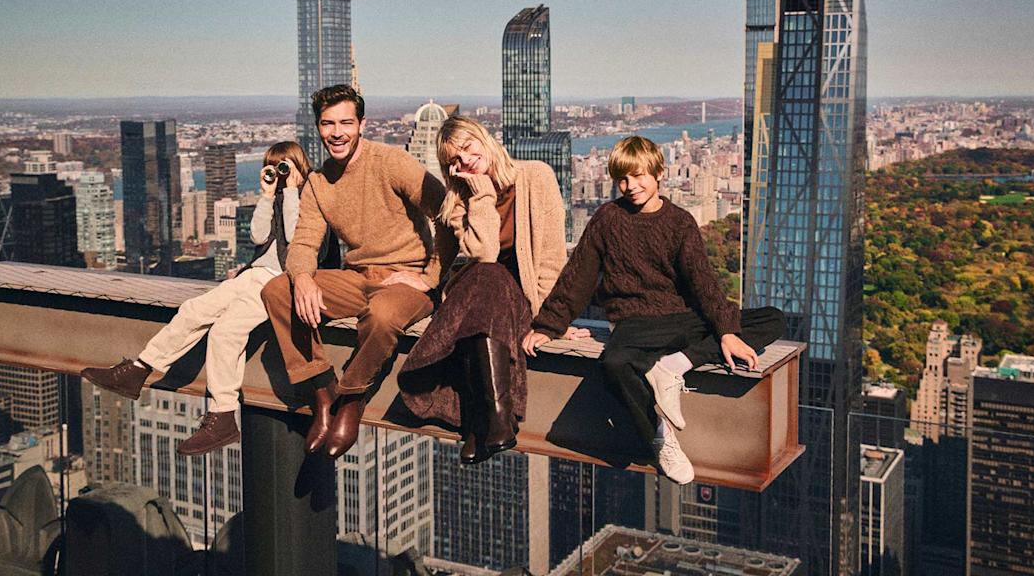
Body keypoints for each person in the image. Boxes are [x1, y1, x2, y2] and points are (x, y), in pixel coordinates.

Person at [521, 136, 785, 484]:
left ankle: (674, 366)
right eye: (623, 179)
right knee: (615, 363)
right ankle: (659, 437)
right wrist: (548, 325)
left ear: (660, 173)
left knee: (773, 319)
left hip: (679, 320)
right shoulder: (607, 219)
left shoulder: (680, 222)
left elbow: (702, 282)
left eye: (639, 176)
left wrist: (727, 332)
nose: (631, 186)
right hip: (633, 324)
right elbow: (578, 277)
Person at [261, 84, 457, 459]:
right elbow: (303, 243)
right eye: (327, 123)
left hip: (406, 277)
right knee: (276, 291)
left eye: (345, 122)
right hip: (357, 276)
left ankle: (351, 399)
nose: (336, 132)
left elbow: (448, 213)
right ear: (318, 127)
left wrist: (429, 277)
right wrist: (302, 279)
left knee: (382, 316)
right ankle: (321, 391)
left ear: (361, 124)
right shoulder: (318, 183)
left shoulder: (391, 162)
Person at [82, 141, 313, 455]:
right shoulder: (276, 199)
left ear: (301, 167)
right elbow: (259, 237)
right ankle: (139, 370)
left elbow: (294, 235)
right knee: (194, 309)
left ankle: (222, 416)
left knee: (226, 330)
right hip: (252, 275)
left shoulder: (312, 199)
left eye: (286, 167)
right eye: (275, 167)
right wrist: (268, 195)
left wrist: (289, 192)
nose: (281, 174)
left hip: (280, 283)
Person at [397, 116, 568, 464]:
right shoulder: (459, 201)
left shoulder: (536, 177)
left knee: (493, 283)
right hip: (475, 289)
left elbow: (552, 257)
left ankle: (478, 420)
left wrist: (551, 322)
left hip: (517, 302)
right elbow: (483, 253)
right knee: (489, 276)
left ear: (484, 139)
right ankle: (498, 418)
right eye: (454, 161)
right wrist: (482, 196)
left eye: (467, 148)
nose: (465, 161)